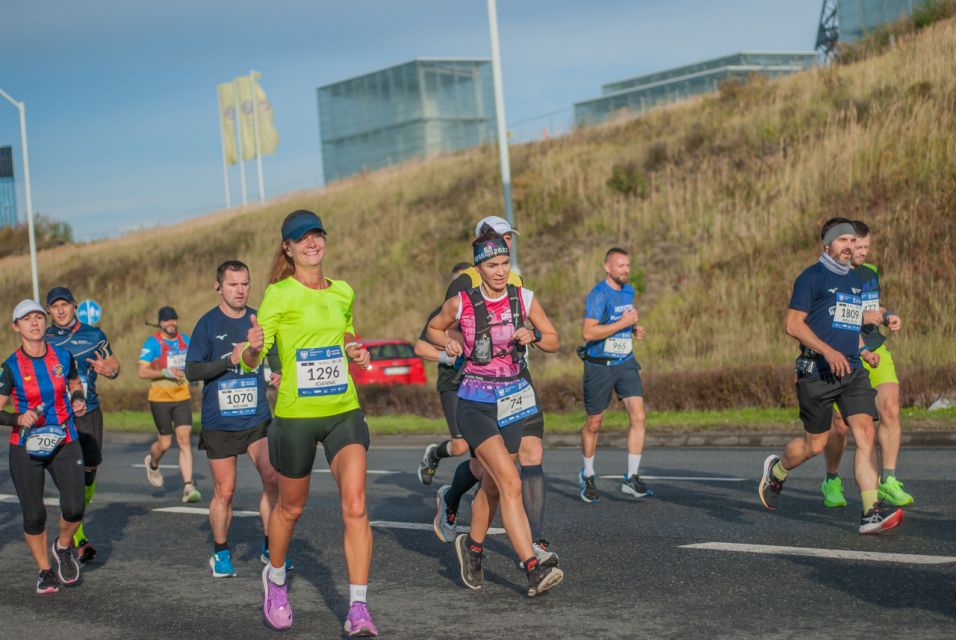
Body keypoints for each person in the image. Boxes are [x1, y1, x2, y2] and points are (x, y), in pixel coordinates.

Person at [242, 210, 379, 636]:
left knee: (355, 506)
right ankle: (276, 578)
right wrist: (252, 349)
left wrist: (357, 352)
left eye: (316, 234)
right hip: (296, 416)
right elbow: (253, 359)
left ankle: (358, 608)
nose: (311, 243)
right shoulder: (278, 295)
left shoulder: (343, 291)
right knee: (291, 507)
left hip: (343, 411)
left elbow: (348, 337)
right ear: (288, 247)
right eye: (301, 238)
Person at [427, 225, 564, 598]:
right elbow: (432, 331)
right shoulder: (463, 302)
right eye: (493, 265)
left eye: (505, 263)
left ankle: (472, 547)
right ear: (480, 268)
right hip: (475, 404)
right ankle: (532, 568)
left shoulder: (524, 298)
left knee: (490, 485)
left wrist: (533, 336)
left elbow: (553, 338)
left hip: (514, 402)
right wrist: (450, 342)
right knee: (510, 482)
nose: (501, 271)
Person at [758, 217, 903, 534]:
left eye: (853, 241)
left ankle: (870, 512)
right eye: (843, 241)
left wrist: (863, 350)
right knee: (815, 445)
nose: (849, 246)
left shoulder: (854, 280)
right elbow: (793, 325)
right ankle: (778, 470)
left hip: (851, 370)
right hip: (817, 372)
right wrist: (828, 351)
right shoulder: (811, 277)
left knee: (864, 434)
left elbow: (847, 325)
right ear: (827, 246)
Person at [185, 260, 288, 578]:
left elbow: (273, 354)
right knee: (224, 492)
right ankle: (220, 551)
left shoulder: (258, 319)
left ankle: (271, 547)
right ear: (218, 287)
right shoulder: (207, 325)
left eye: (245, 284)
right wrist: (228, 359)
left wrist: (278, 373)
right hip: (220, 422)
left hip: (257, 419)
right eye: (233, 284)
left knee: (273, 480)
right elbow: (192, 370)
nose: (240, 290)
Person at [0, 299, 87, 594]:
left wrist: (78, 398)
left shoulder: (63, 355)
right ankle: (45, 571)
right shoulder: (10, 367)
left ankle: (62, 547)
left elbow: (75, 383)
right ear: (17, 327)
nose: (34, 323)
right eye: (27, 319)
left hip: (64, 437)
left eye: (38, 317)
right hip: (25, 445)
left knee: (75, 507)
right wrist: (16, 416)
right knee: (34, 515)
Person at [821, 221, 911, 507]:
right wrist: (861, 319)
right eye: (858, 247)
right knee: (840, 427)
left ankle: (887, 479)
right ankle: (832, 479)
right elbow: (829, 318)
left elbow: (875, 307)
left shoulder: (870, 273)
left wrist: (887, 316)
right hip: (844, 354)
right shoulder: (831, 276)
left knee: (891, 408)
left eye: (866, 246)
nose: (862, 252)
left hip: (875, 349)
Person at [45, 286, 120, 563]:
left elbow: (114, 365)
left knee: (89, 473)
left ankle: (73, 516)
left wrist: (109, 371)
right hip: (58, 416)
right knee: (70, 474)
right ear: (49, 311)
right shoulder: (45, 338)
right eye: (55, 307)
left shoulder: (94, 335)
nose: (61, 310)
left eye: (65, 304)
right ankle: (78, 536)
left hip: (88, 412)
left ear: (74, 306)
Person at [577, 247, 650, 503]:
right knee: (594, 423)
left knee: (638, 417)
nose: (625, 270)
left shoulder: (628, 291)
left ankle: (631, 478)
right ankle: (587, 474)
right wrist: (623, 324)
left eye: (628, 265)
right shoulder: (597, 295)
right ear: (607, 267)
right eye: (620, 265)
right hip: (599, 365)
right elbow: (588, 333)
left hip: (626, 363)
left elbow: (623, 321)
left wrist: (633, 329)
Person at [414, 261, 471, 491]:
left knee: (484, 443)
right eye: (457, 282)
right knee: (460, 447)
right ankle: (434, 455)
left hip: (479, 382)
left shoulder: (481, 310)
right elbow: (420, 347)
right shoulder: (441, 313)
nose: (461, 287)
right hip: (452, 383)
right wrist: (448, 358)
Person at [138, 306, 201, 503]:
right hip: (160, 398)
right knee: (165, 443)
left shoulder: (185, 340)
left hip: (182, 397)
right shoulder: (153, 343)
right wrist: (166, 372)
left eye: (173, 319)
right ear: (160, 323)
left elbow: (194, 361)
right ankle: (153, 462)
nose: (171, 323)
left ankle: (188, 487)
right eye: (166, 320)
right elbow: (142, 372)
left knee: (184, 440)